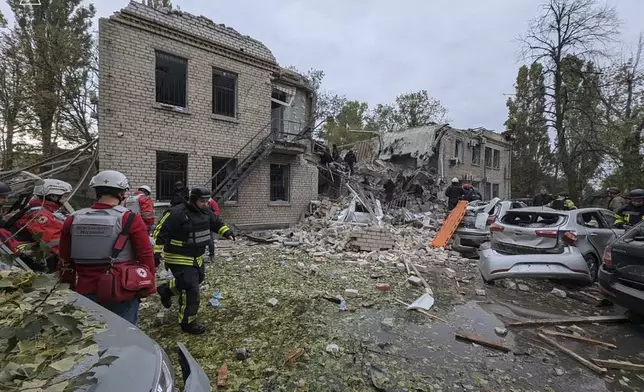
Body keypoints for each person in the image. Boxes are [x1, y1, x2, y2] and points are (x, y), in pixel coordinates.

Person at [58, 170, 156, 325]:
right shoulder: (129, 218)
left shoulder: (73, 219)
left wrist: (68, 284)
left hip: (85, 289)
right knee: (124, 334)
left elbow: (64, 258)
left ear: (96, 191)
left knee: (92, 338)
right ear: (122, 192)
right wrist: (148, 285)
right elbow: (145, 254)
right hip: (121, 289)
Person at [154, 187, 235, 335]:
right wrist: (156, 253)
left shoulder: (206, 211)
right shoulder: (177, 213)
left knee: (196, 280)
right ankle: (187, 322)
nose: (205, 204)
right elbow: (160, 231)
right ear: (193, 199)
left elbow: (216, 223)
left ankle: (166, 289)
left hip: (197, 256)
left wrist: (227, 232)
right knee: (191, 289)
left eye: (207, 201)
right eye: (202, 201)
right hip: (178, 256)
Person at [12, 179, 72, 272]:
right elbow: (52, 241)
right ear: (53, 196)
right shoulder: (40, 215)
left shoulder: (38, 210)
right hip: (38, 263)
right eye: (64, 196)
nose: (65, 199)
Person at [206, 197, 221, 263]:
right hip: (202, 223)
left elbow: (217, 212)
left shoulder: (212, 202)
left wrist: (210, 215)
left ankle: (212, 256)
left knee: (210, 241)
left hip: (209, 223)